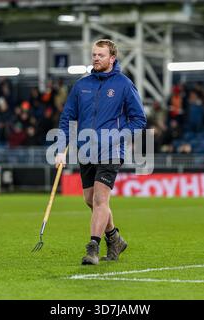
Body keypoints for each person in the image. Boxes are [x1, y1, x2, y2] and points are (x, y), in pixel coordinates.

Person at [55, 39, 147, 265]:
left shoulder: (124, 84)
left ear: (112, 58)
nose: (96, 58)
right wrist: (60, 149)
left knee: (99, 198)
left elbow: (139, 119)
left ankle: (93, 247)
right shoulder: (81, 85)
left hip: (112, 149)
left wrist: (118, 136)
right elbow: (68, 118)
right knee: (90, 199)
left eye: (101, 55)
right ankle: (114, 238)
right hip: (86, 149)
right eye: (94, 54)